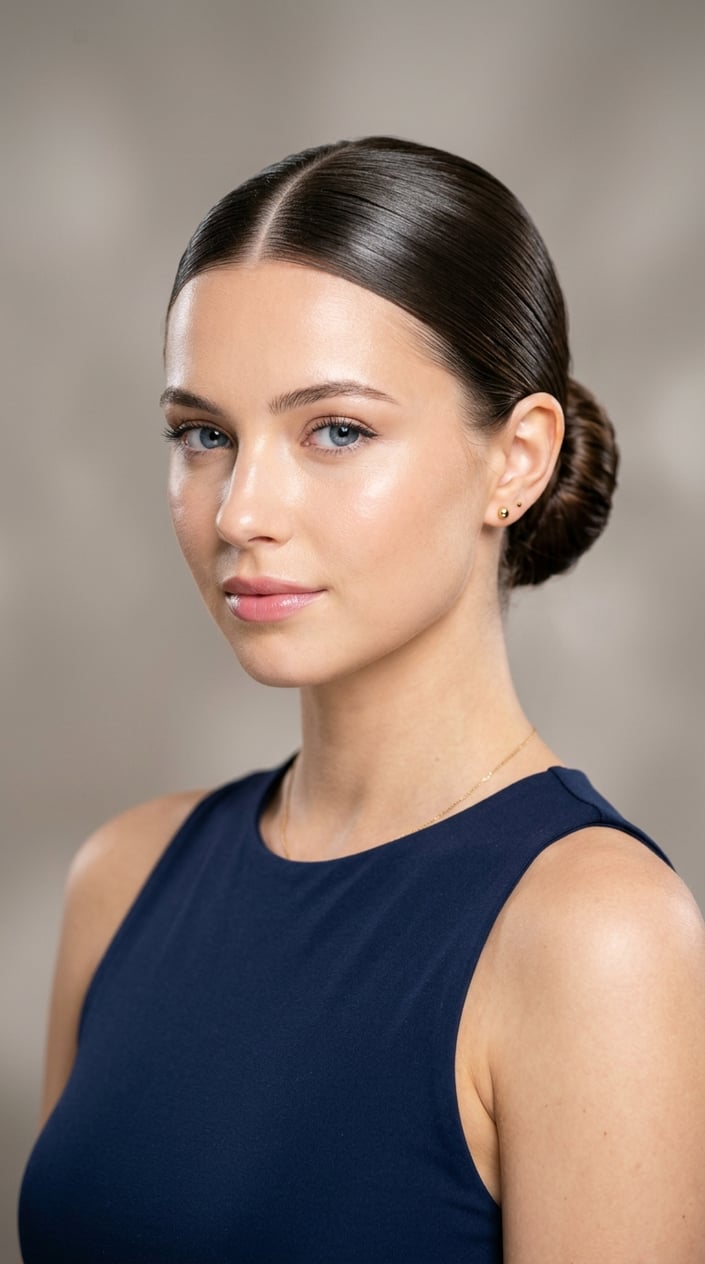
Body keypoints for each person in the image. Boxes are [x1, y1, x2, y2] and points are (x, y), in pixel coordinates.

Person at [18, 137, 705, 1263]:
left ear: (517, 460)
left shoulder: (596, 939)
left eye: (335, 430)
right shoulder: (122, 878)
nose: (242, 509)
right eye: (204, 435)